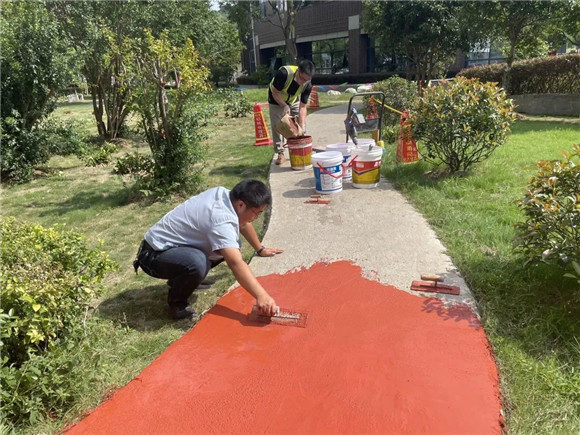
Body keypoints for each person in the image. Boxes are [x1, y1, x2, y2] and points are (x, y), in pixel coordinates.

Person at [135, 179, 283, 320]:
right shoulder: (220, 219)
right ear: (241, 205)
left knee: (229, 244)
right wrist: (261, 296)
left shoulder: (225, 195)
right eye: (257, 212)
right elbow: (235, 263)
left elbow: (243, 223)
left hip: (169, 247)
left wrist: (260, 249)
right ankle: (177, 305)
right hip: (152, 256)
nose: (257, 217)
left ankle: (184, 279)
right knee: (200, 262)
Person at [268, 59, 315, 165]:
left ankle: (299, 149)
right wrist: (284, 106)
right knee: (278, 125)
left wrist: (302, 126)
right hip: (276, 99)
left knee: (298, 127)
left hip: (292, 100)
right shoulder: (283, 74)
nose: (302, 82)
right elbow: (275, 93)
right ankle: (280, 153)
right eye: (301, 78)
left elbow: (302, 107)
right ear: (298, 71)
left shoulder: (307, 84)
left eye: (306, 80)